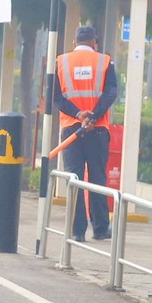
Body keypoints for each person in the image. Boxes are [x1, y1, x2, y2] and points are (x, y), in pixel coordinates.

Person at [53, 25, 118, 242]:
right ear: (94, 43)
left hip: (71, 128)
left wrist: (78, 114)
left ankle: (77, 231)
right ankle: (100, 228)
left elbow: (56, 97)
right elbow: (111, 93)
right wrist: (94, 116)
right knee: (97, 177)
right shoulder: (105, 62)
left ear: (74, 43)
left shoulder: (61, 62)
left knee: (74, 178)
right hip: (97, 129)